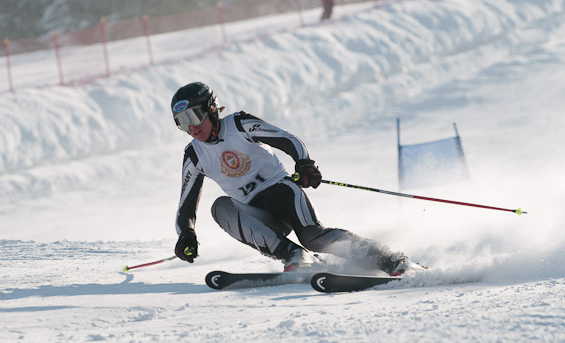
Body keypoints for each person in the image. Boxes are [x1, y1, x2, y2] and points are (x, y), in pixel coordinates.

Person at [171, 82, 422, 275]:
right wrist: (186, 234)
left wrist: (304, 164)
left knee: (314, 237)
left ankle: (394, 260)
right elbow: (185, 207)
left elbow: (288, 139)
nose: (191, 128)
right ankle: (295, 257)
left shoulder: (238, 124)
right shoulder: (195, 154)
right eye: (181, 123)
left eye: (193, 117)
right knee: (220, 207)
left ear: (211, 109)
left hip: (282, 193)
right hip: (257, 215)